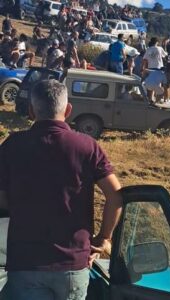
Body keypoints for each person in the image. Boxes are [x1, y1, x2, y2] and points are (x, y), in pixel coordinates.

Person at [0, 79, 123, 300]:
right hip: (73, 265)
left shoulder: (12, 145)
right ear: (68, 110)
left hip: (26, 264)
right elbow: (115, 195)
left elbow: (2, 200)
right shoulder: (88, 146)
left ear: (30, 111)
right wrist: (104, 237)